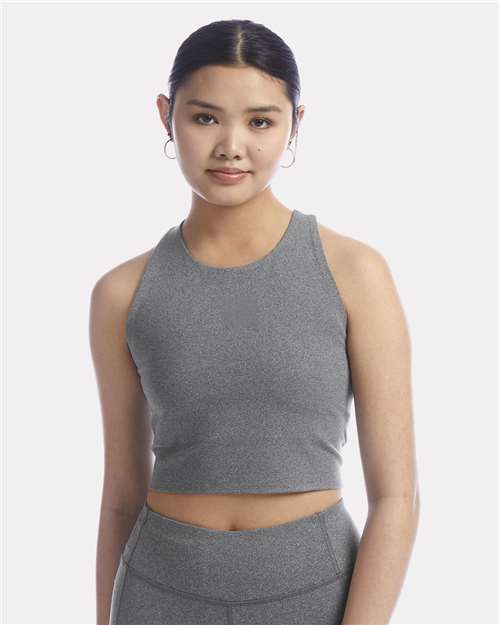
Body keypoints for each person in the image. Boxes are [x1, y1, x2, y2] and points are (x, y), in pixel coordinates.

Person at [91, 19, 420, 625]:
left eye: (261, 122)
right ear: (166, 116)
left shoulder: (355, 273)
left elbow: (398, 498)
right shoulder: (121, 293)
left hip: (315, 591)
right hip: (157, 592)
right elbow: (119, 500)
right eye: (205, 117)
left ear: (296, 123)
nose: (231, 146)